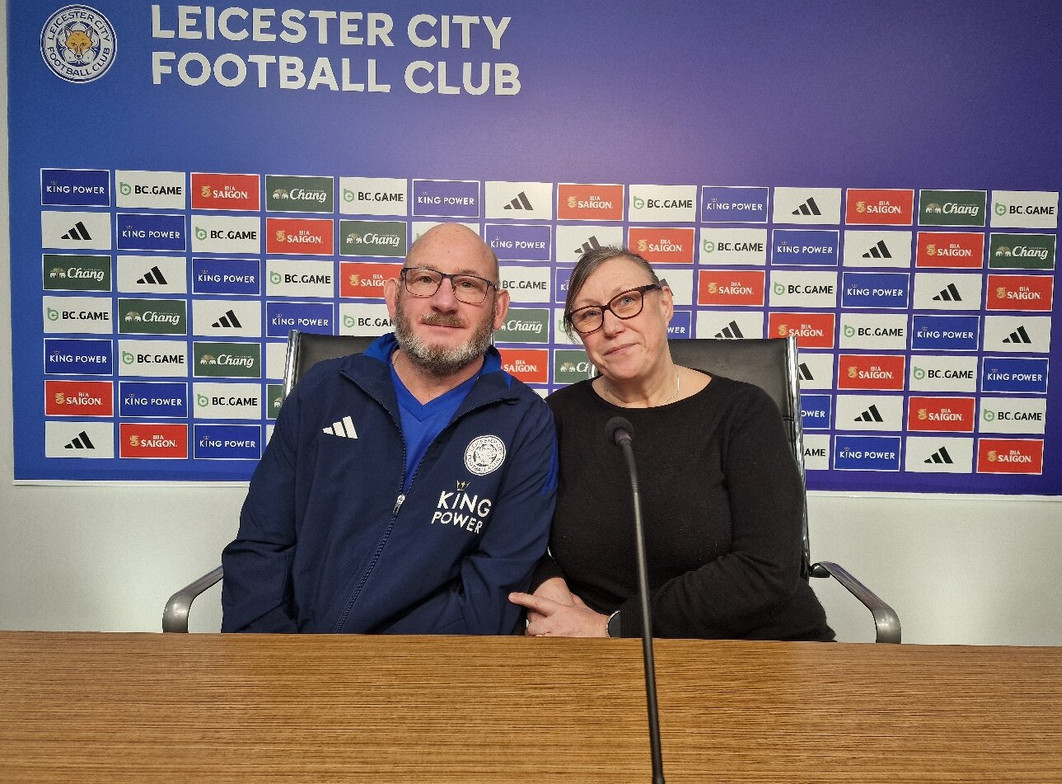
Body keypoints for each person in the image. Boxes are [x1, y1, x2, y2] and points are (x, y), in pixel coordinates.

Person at [222, 222, 558, 634]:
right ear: (393, 296)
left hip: (433, 671)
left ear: (499, 309)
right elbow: (261, 545)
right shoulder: (322, 391)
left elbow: (494, 587)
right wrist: (275, 660)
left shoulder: (525, 420)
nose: (445, 300)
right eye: (425, 280)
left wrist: (390, 671)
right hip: (296, 658)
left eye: (469, 285)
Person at [509, 247, 834, 641]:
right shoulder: (555, 417)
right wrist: (549, 582)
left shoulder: (743, 411)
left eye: (627, 301)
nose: (611, 326)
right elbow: (515, 535)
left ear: (664, 304)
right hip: (601, 657)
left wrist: (615, 626)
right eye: (590, 314)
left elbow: (765, 569)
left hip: (758, 646)